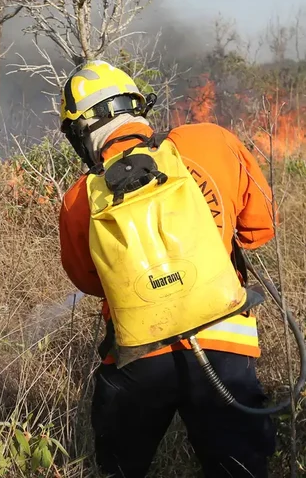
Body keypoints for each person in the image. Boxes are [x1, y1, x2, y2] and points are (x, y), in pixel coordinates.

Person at [57, 60, 278, 477]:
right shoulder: (211, 141)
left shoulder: (78, 199)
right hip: (225, 341)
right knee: (240, 469)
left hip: (137, 355)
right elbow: (260, 229)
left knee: (119, 469)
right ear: (137, 105)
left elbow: (90, 282)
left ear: (80, 131)